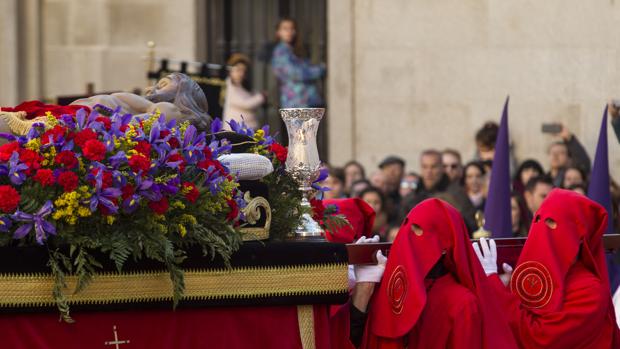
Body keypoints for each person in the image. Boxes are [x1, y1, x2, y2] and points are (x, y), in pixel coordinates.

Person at [360, 198, 517, 348]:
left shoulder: (463, 303)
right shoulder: (392, 292)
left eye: (418, 231)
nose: (409, 240)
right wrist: (363, 288)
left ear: (445, 242)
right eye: (407, 229)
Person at [474, 189, 620, 348]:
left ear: (576, 235)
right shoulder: (541, 277)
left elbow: (539, 338)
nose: (542, 228)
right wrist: (509, 287)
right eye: (538, 219)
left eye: (552, 222)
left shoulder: (590, 290)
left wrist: (495, 288)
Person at [0, 73, 211, 140]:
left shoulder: (170, 109)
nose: (154, 87)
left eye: (164, 84)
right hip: (76, 115)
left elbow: (133, 127)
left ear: (182, 95)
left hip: (81, 121)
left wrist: (106, 122)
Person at [400, 149, 477, 232]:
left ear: (441, 168)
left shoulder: (456, 195)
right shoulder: (411, 198)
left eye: (433, 167)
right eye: (425, 167)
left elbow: (471, 226)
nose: (429, 171)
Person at [270, 18, 325, 109]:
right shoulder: (280, 51)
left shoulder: (293, 50)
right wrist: (320, 70)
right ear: (278, 32)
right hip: (295, 103)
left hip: (305, 101)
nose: (289, 31)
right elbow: (295, 73)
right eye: (285, 28)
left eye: (292, 28)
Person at [222, 53, 266, 130]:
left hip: (249, 128)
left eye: (244, 71)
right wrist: (261, 97)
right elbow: (246, 104)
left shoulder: (242, 86)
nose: (241, 74)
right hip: (235, 131)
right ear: (230, 70)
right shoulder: (228, 85)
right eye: (238, 70)